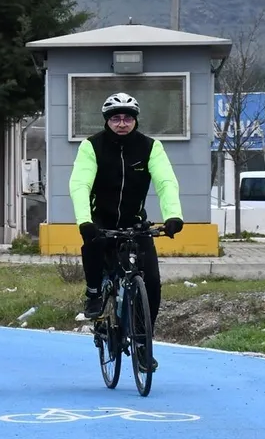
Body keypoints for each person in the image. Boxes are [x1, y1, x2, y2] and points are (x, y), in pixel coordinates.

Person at [69, 92, 184, 369]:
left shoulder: (150, 147)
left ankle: (143, 344)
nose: (122, 123)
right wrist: (85, 221)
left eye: (127, 118)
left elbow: (166, 182)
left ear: (135, 120)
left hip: (135, 223)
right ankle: (94, 293)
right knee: (93, 246)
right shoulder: (91, 146)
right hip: (101, 222)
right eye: (116, 118)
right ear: (107, 121)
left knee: (152, 282)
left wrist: (173, 215)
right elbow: (80, 184)